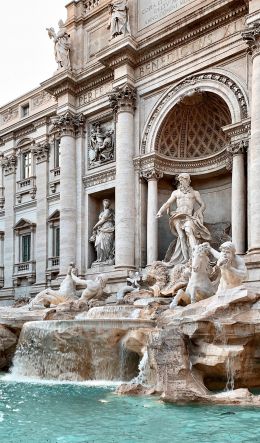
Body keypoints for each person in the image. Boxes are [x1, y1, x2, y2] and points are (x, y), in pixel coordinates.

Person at [156, 173, 211, 265]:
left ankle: (195, 254)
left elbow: (203, 204)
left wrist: (199, 211)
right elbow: (167, 203)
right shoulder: (176, 193)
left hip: (188, 216)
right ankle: (185, 259)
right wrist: (160, 211)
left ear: (189, 180)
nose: (182, 182)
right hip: (177, 216)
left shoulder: (194, 193)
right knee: (181, 237)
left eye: (184, 179)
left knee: (189, 231)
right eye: (180, 180)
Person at [90, 199, 115, 265]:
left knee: (107, 244)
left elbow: (103, 220)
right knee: (99, 242)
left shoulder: (108, 211)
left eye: (107, 204)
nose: (106, 204)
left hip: (108, 228)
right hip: (101, 229)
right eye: (105, 203)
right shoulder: (101, 213)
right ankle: (100, 259)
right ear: (103, 204)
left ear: (109, 205)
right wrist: (97, 228)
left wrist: (95, 227)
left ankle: (106, 258)